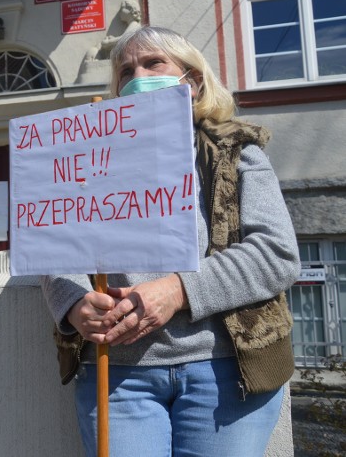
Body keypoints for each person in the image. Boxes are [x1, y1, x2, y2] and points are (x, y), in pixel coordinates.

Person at [43, 26, 300, 457]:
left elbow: (275, 253)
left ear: (192, 80)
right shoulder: (87, 156)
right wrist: (72, 303)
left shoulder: (235, 152)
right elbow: (54, 245)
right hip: (116, 375)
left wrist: (178, 290)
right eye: (125, 70)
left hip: (225, 369)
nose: (137, 75)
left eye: (153, 63)